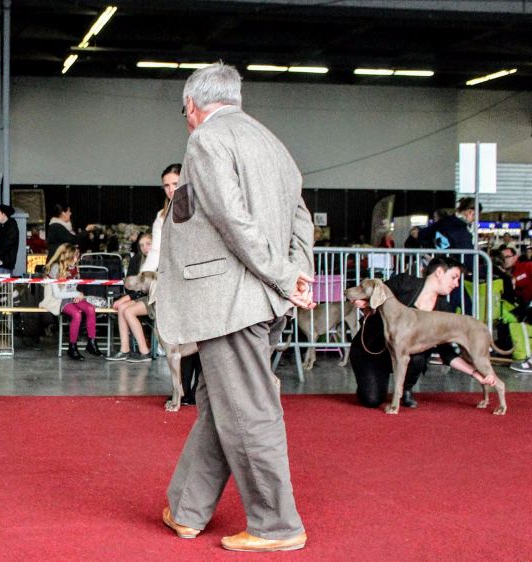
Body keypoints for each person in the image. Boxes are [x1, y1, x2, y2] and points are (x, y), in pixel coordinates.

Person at [157, 63, 314, 552]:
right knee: (221, 404)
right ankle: (186, 509)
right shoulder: (275, 145)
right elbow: (301, 218)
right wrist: (297, 274)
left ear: (192, 107)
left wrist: (285, 275)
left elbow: (230, 219)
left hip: (231, 300)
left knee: (248, 412)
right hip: (262, 300)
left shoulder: (206, 140)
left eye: (185, 111)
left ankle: (276, 525)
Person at [348, 258, 486, 409]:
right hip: (372, 351)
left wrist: (474, 372)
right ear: (439, 272)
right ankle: (371, 381)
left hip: (402, 355)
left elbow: (447, 353)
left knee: (418, 356)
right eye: (454, 277)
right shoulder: (403, 282)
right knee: (372, 400)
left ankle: (404, 389)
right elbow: (373, 294)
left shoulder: (443, 307)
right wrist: (364, 303)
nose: (456, 284)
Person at [109, 164, 182, 364]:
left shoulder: (198, 208)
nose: (171, 189)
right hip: (168, 282)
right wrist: (143, 279)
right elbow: (156, 251)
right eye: (166, 185)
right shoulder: (161, 216)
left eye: (175, 184)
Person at [40, 243, 102, 361]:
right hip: (58, 300)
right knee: (77, 314)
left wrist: (78, 295)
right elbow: (57, 294)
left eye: (77, 256)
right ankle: (72, 347)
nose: (76, 259)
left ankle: (91, 343)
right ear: (66, 256)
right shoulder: (55, 268)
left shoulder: (75, 268)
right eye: (74, 256)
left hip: (71, 297)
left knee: (90, 309)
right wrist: (76, 294)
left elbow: (73, 289)